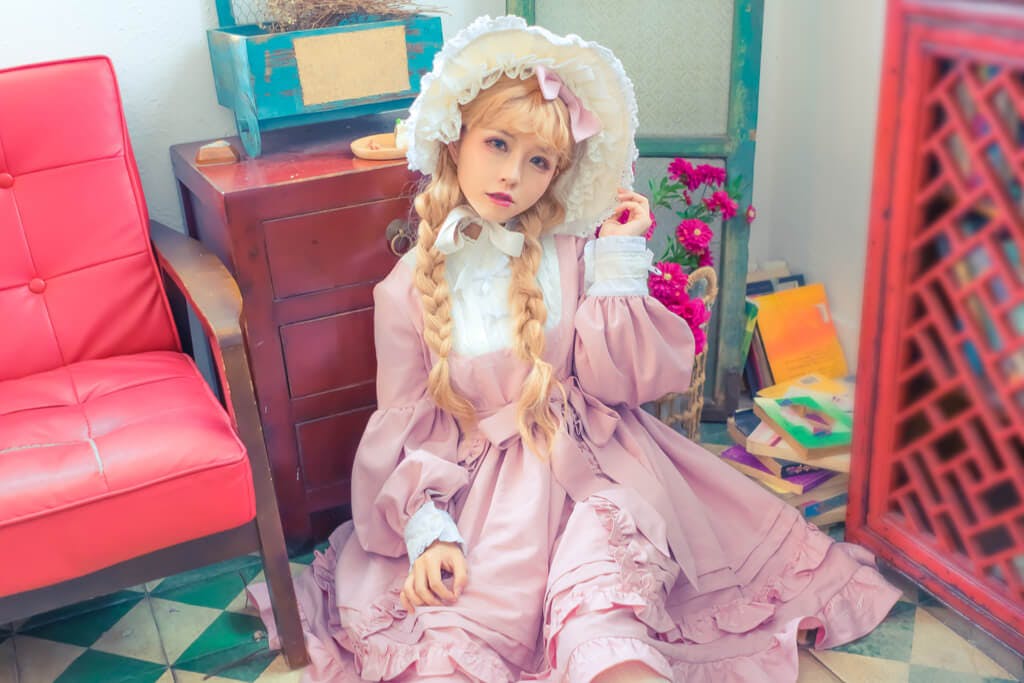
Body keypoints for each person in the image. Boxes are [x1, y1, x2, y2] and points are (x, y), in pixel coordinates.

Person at [250, 15, 901, 682]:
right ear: (456, 141)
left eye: (539, 161)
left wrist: (620, 255)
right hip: (486, 498)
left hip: (600, 469)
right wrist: (426, 529)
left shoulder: (573, 253)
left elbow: (623, 379)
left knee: (606, 622)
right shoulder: (405, 291)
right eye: (498, 144)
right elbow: (407, 431)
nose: (513, 175)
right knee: (461, 643)